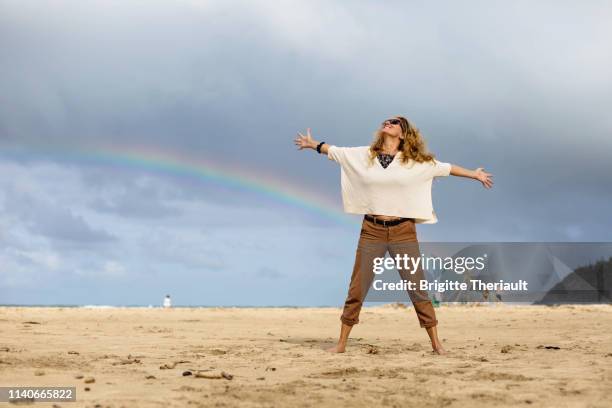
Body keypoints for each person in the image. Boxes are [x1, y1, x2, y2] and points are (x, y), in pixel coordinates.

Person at [294, 116, 493, 355]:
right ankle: (341, 344)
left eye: (394, 122)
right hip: (372, 230)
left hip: (403, 231)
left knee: (417, 286)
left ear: (403, 132)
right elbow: (335, 152)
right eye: (386, 120)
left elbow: (448, 169)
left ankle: (436, 343)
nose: (387, 122)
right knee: (357, 288)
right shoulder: (364, 155)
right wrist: (312, 143)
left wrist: (475, 174)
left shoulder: (416, 162)